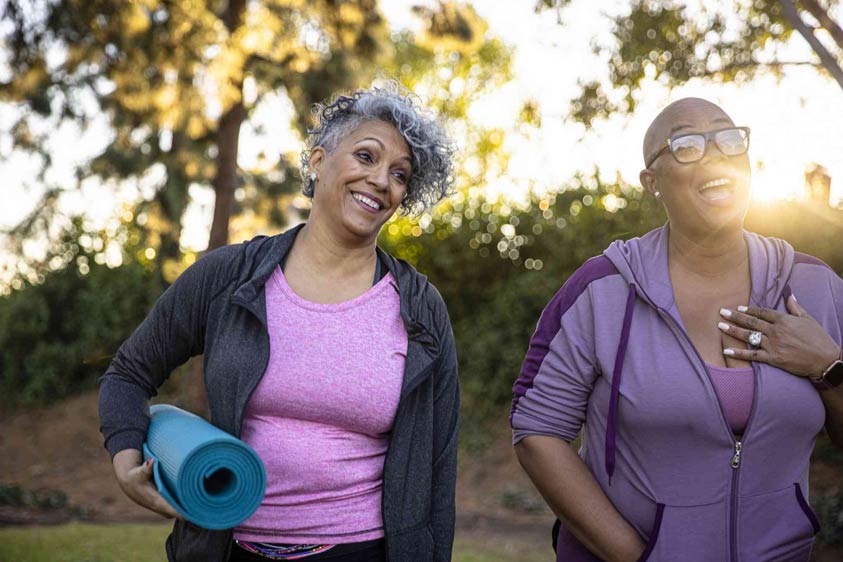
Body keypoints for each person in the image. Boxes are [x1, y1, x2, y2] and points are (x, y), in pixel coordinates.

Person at [98, 84, 459, 562]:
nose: (380, 180)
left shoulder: (421, 307)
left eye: (399, 174)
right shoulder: (229, 276)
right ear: (316, 160)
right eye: (366, 156)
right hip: (228, 548)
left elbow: (439, 463)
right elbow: (128, 374)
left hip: (364, 551)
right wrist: (126, 460)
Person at [510, 97, 843, 562]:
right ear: (652, 182)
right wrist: (633, 555)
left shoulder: (817, 286)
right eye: (686, 143)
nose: (715, 152)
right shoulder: (602, 289)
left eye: (728, 137)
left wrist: (829, 368)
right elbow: (536, 429)